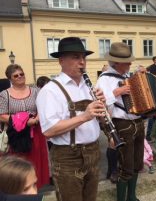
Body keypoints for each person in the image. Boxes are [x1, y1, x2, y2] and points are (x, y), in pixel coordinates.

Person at [36, 37, 106, 201]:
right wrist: (84, 116)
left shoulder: (89, 87)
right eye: (75, 57)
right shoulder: (50, 91)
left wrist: (103, 109)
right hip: (68, 157)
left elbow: (100, 120)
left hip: (93, 152)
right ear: (61, 60)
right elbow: (48, 131)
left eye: (83, 57)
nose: (82, 62)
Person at [95, 42, 144, 201]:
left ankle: (132, 196)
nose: (130, 63)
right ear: (116, 62)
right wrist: (117, 92)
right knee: (125, 166)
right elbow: (99, 103)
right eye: (127, 61)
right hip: (122, 125)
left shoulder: (127, 77)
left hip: (137, 122)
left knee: (137, 164)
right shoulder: (104, 78)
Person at [0, 64, 49, 190]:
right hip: (15, 134)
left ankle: (35, 190)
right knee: (18, 166)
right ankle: (19, 190)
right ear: (10, 79)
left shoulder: (36, 91)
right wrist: (21, 121)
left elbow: (43, 108)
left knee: (36, 164)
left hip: (35, 134)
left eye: (22, 74)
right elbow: (1, 115)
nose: (20, 77)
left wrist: (37, 118)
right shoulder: (4, 95)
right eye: (16, 75)